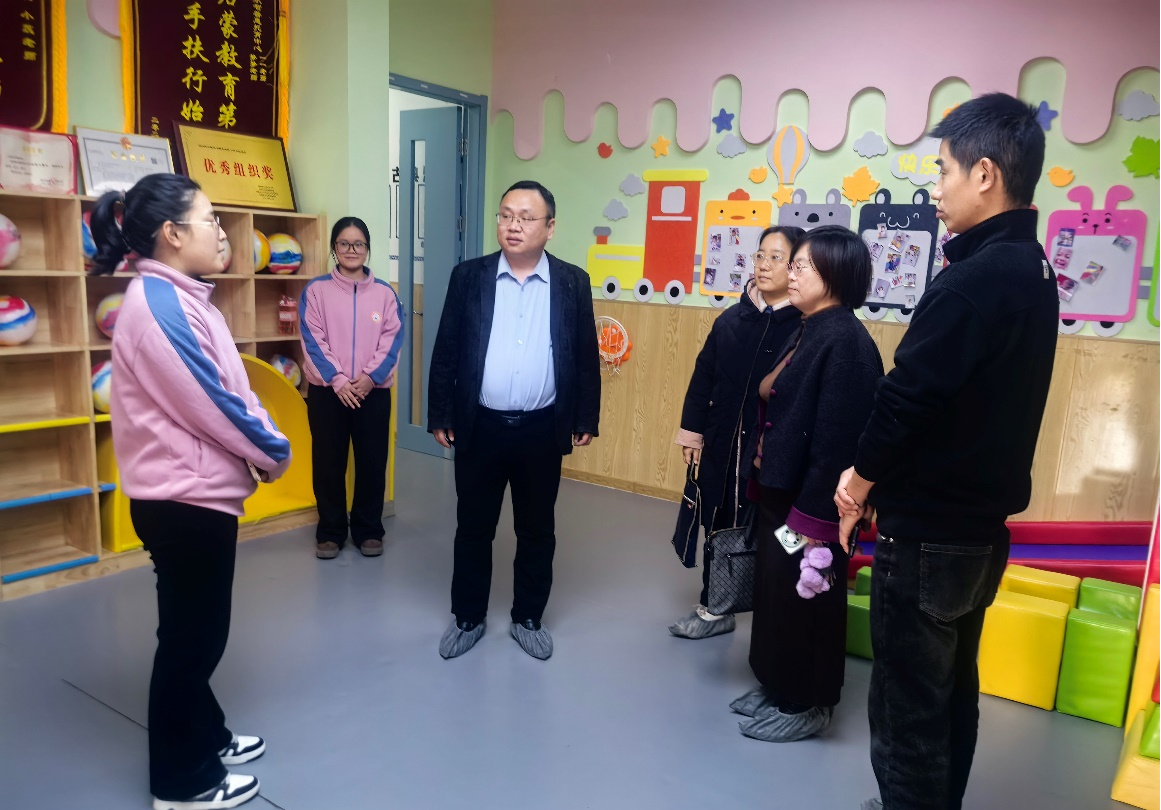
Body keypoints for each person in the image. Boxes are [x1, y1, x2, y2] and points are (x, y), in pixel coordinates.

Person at [834, 94, 1056, 810]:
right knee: (951, 689)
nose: (934, 188)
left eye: (942, 171)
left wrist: (857, 481)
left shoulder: (973, 280)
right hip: (978, 530)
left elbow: (906, 398)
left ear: (984, 174)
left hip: (930, 533)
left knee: (907, 708)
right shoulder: (1031, 267)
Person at [91, 173, 291, 810]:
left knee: (190, 632)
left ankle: (209, 736)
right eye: (210, 220)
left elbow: (232, 385)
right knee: (192, 642)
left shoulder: (180, 296)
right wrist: (274, 453)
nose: (222, 232)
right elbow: (215, 401)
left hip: (188, 494)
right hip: (184, 500)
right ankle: (183, 783)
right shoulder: (161, 306)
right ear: (172, 234)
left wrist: (259, 443)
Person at [428, 180, 601, 661]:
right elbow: (446, 349)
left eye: (526, 217)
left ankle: (528, 616)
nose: (513, 225)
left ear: (550, 227)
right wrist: (441, 411)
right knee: (473, 526)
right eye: (506, 215)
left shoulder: (572, 281)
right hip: (479, 425)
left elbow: (584, 354)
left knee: (537, 529)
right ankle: (468, 616)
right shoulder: (469, 276)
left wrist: (585, 415)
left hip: (542, 428)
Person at [730, 225, 883, 743]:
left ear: (835, 275)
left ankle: (809, 701)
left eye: (801, 267)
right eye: (791, 265)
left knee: (809, 599)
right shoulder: (811, 326)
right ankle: (777, 684)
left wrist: (815, 519)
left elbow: (839, 444)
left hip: (811, 507)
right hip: (781, 493)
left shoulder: (847, 342)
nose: (790, 274)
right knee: (776, 593)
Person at [669, 225, 805, 639]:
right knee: (717, 521)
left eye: (776, 257)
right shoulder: (731, 319)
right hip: (723, 442)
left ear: (796, 266)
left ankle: (779, 614)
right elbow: (703, 378)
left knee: (778, 530)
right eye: (760, 255)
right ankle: (715, 608)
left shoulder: (805, 326)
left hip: (772, 452)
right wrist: (692, 433)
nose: (763, 265)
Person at [300, 217, 405, 559]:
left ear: (367, 249)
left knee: (372, 462)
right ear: (335, 248)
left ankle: (368, 530)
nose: (351, 250)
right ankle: (330, 531)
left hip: (372, 392)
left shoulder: (386, 294)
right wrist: (339, 380)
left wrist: (370, 377)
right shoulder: (316, 291)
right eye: (344, 243)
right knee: (328, 464)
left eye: (358, 244)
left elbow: (393, 339)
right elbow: (313, 340)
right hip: (328, 393)